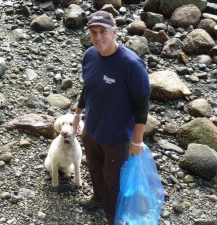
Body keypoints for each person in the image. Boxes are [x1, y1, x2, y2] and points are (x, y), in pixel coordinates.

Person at [72, 10, 151, 225]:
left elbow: (142, 103)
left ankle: (112, 215)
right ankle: (98, 197)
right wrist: (78, 114)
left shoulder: (131, 65)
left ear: (114, 32)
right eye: (93, 32)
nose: (98, 37)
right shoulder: (89, 55)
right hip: (92, 129)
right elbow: (88, 87)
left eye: (103, 31)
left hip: (117, 136)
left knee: (113, 179)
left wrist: (138, 140)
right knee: (95, 168)